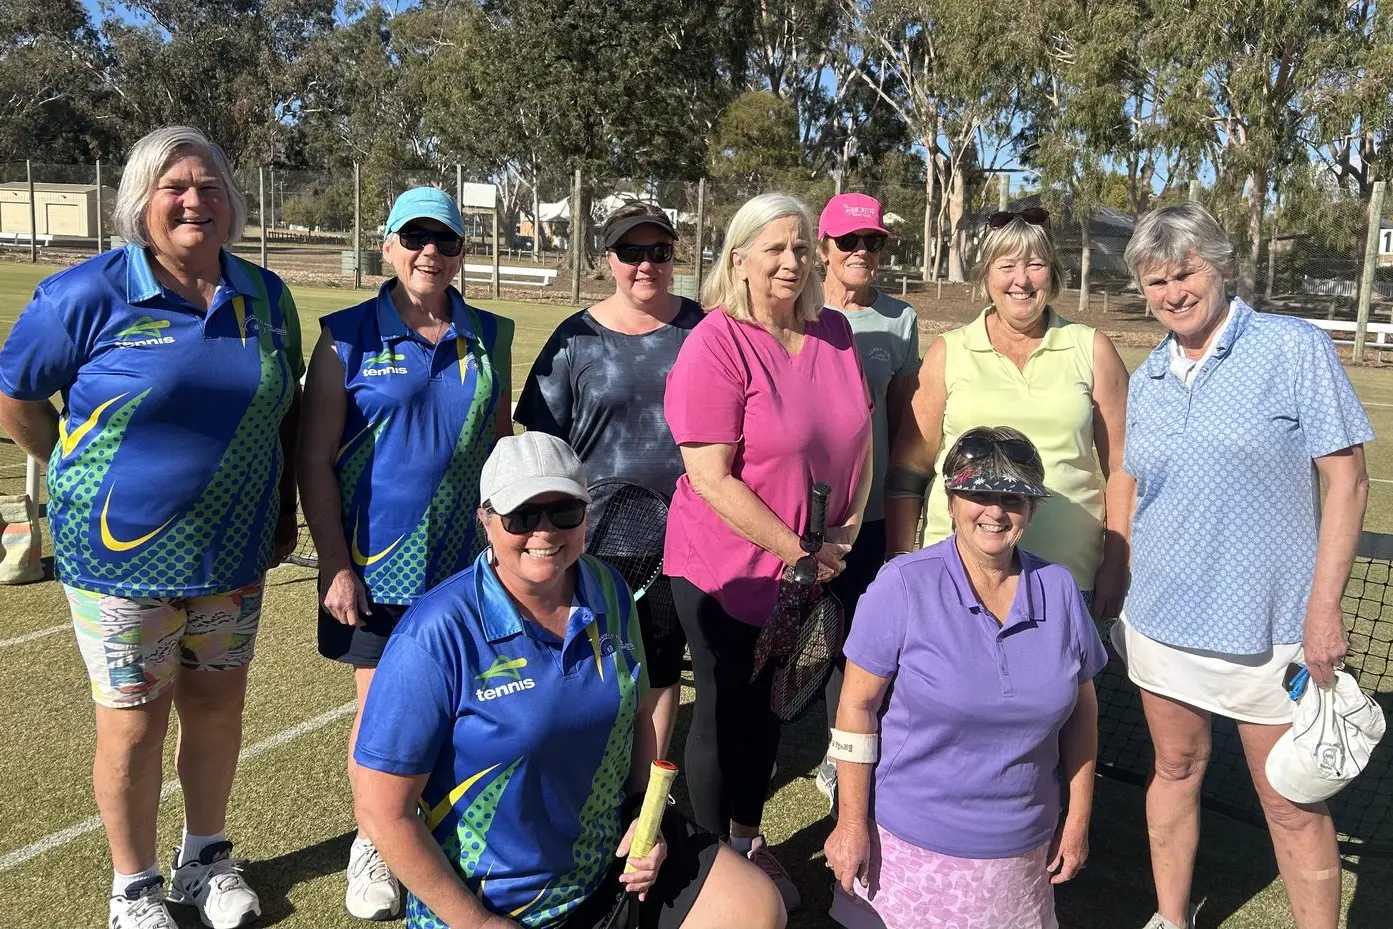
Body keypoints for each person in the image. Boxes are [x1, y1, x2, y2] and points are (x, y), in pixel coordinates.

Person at [0, 126, 302, 929]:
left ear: (233, 201)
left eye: (209, 186)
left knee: (217, 707)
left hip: (233, 556)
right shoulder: (82, 295)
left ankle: (204, 857)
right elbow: (19, 402)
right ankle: (132, 887)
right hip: (117, 564)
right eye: (174, 188)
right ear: (141, 202)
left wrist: (279, 517)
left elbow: (280, 416)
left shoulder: (267, 296)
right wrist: (72, 469)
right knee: (133, 727)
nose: (194, 201)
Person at [351, 432, 786, 929]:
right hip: (493, 912)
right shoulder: (433, 636)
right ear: (486, 521)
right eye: (521, 516)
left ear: (586, 514)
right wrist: (480, 924)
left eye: (564, 511)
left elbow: (637, 714)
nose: (545, 531)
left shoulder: (609, 588)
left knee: (754, 907)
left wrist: (653, 822)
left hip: (610, 872)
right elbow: (383, 813)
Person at [1117, 202, 1372, 929]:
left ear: (1220, 266)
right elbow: (1145, 493)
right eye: (1155, 280)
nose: (1171, 292)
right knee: (1173, 770)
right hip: (1160, 622)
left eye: (1184, 272)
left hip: (1272, 630)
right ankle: (1172, 917)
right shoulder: (1148, 379)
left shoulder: (1292, 348)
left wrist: (1322, 609)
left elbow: (1346, 481)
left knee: (1289, 801)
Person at [298, 187, 514, 920]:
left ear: (461, 253)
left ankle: (428, 826)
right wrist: (335, 562)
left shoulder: (490, 336)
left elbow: (500, 451)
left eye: (445, 241)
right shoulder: (345, 336)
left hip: (464, 566)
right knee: (383, 709)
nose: (430, 252)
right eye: (415, 237)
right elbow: (314, 457)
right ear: (388, 245)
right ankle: (373, 840)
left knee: (458, 703)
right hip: (371, 565)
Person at [664, 192, 874, 911]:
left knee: (765, 713)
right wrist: (797, 549)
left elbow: (860, 443)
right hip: (722, 570)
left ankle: (746, 838)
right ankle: (712, 860)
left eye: (798, 247)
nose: (789, 261)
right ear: (739, 258)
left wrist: (841, 534)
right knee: (727, 706)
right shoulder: (715, 341)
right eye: (772, 248)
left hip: (805, 570)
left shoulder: (836, 332)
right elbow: (708, 475)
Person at [824, 427, 1107, 929]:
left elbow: (1082, 711)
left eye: (1012, 498)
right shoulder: (902, 585)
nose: (995, 512)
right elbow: (856, 708)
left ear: (1032, 508)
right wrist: (850, 823)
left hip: (1022, 850)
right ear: (951, 499)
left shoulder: (1059, 589)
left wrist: (1079, 818)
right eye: (978, 494)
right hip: (909, 846)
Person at [516, 200, 702, 759]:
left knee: (662, 669)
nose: (646, 264)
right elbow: (540, 447)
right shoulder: (575, 339)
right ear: (608, 259)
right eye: (630, 252)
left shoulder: (706, 329)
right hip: (591, 541)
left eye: (659, 252)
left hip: (685, 542)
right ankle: (590, 774)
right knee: (589, 667)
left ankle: (648, 792)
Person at [885, 207, 1129, 620]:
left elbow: (1123, 467)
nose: (1021, 280)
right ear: (986, 276)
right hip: (956, 575)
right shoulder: (951, 351)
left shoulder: (1092, 348)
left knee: (1060, 687)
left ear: (1052, 273)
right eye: (1007, 265)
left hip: (1066, 575)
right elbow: (909, 469)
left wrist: (1116, 562)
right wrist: (898, 560)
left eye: (1035, 265)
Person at [813, 193, 920, 805]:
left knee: (858, 638)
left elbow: (907, 424)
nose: (861, 253)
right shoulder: (795, 311)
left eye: (872, 242)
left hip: (871, 515)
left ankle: (839, 751)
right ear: (824, 248)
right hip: (795, 516)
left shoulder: (900, 321)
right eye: (848, 242)